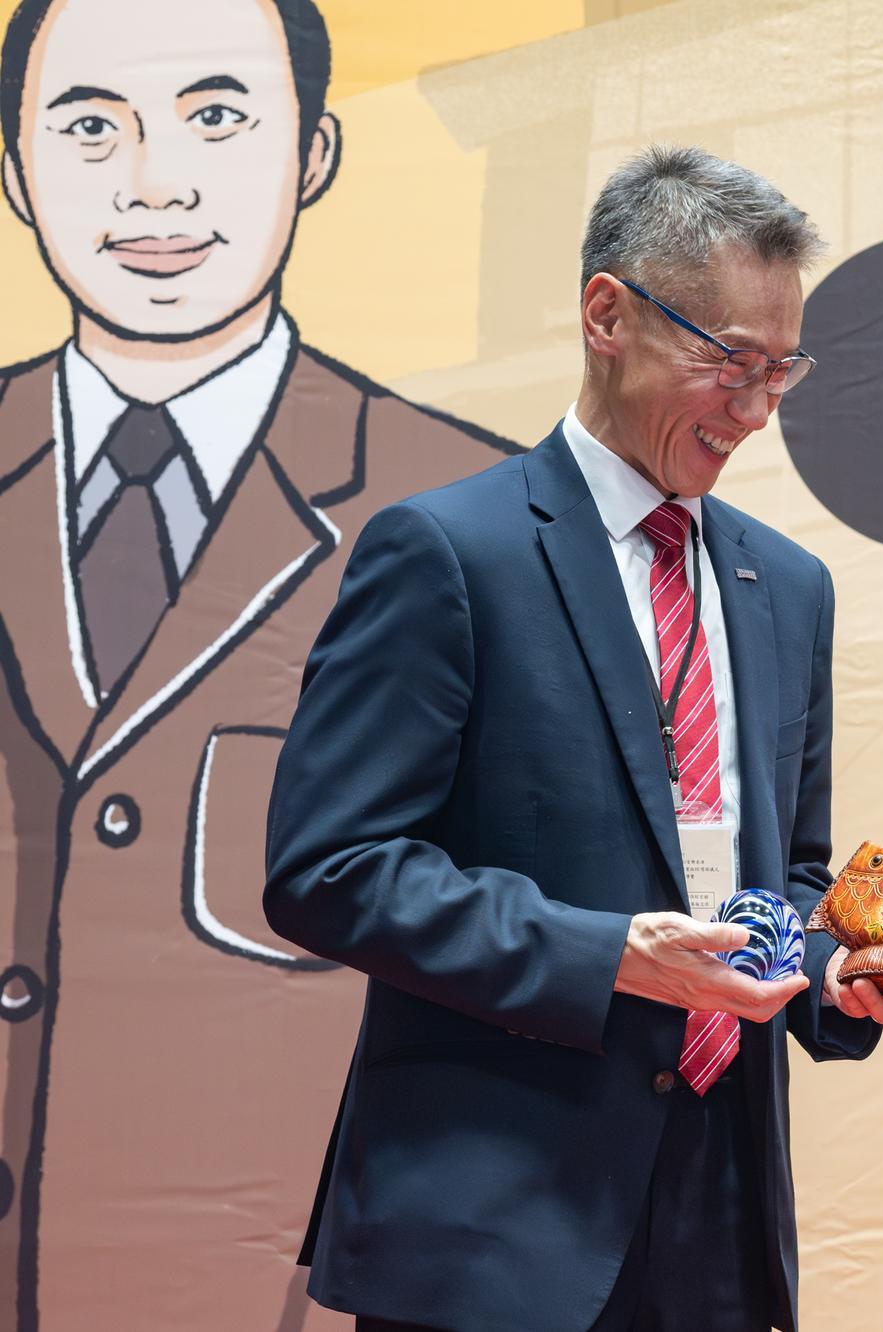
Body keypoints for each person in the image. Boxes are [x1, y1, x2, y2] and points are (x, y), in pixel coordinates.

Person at [263, 144, 883, 1332]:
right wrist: (607, 954)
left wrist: (830, 972)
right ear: (606, 315)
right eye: (728, 360)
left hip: (720, 1214)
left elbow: (779, 875)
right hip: (496, 1220)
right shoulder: (448, 552)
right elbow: (332, 871)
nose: (754, 409)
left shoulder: (786, 585)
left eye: (782, 370)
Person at [0, 0, 511, 1324]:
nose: (154, 182)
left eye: (216, 119)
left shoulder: (480, 517)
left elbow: (521, 939)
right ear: (12, 168)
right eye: (90, 127)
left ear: (316, 156)